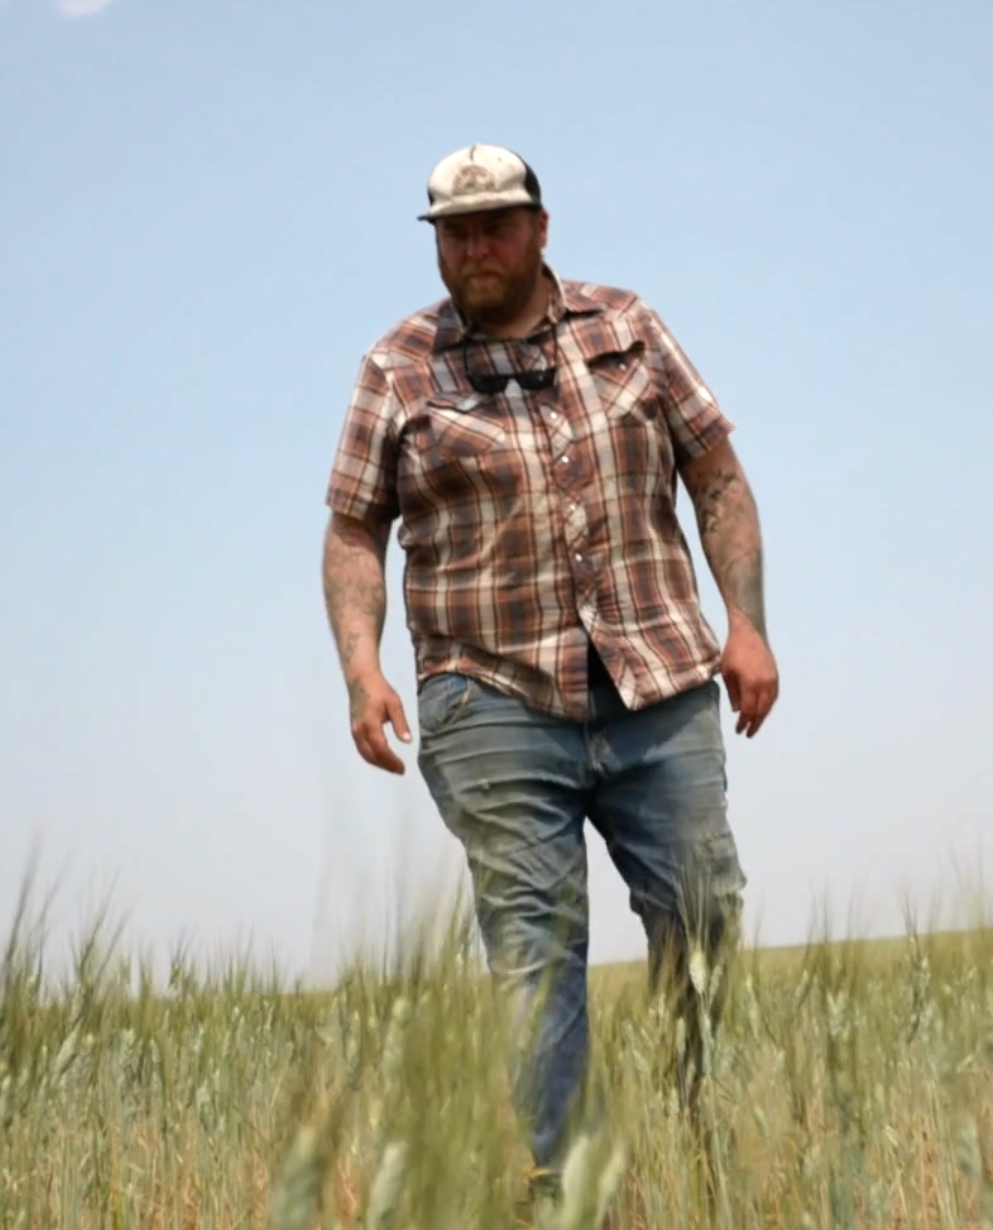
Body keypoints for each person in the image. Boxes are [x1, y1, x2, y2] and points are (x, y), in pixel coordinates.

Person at [319, 142, 778, 1201]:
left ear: (540, 228)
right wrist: (360, 669)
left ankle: (704, 1140)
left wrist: (747, 625)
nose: (475, 247)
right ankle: (570, 1192)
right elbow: (352, 530)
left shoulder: (629, 327)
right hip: (489, 696)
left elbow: (716, 477)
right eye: (454, 232)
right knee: (535, 948)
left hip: (656, 678)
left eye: (495, 225)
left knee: (705, 913)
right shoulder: (397, 366)